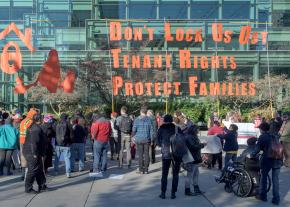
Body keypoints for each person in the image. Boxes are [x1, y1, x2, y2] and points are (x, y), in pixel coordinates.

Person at [251, 122, 283, 205]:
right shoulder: (276, 136)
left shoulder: (263, 137)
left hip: (267, 159)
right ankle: (276, 199)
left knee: (263, 177)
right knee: (275, 179)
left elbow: (257, 149)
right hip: (278, 159)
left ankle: (263, 196)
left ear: (261, 129)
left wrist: (252, 155)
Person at [157, 114, 182, 199]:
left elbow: (158, 142)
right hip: (176, 153)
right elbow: (182, 139)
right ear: (172, 120)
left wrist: (163, 145)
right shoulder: (177, 128)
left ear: (164, 120)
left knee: (164, 174)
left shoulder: (161, 128)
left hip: (166, 153)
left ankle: (163, 193)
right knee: (175, 174)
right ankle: (173, 193)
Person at [23, 114, 47, 194]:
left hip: (34, 151)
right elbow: (34, 142)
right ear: (39, 120)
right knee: (32, 170)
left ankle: (42, 185)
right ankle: (28, 188)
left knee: (39, 169)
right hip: (32, 152)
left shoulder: (35, 127)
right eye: (42, 118)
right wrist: (34, 153)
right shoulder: (35, 129)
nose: (43, 120)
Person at [184, 125, 205, 196]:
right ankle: (187, 190)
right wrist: (202, 145)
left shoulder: (191, 136)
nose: (198, 131)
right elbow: (193, 147)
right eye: (197, 130)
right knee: (190, 175)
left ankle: (196, 189)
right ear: (194, 130)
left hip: (194, 158)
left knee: (196, 174)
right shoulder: (189, 137)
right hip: (191, 159)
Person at [132, 107, 153, 174]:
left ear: (141, 112)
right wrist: (152, 140)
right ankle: (146, 170)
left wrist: (133, 137)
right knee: (146, 154)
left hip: (139, 139)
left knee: (140, 155)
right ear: (146, 112)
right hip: (147, 139)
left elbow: (134, 130)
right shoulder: (149, 119)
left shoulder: (137, 119)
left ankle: (141, 170)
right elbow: (151, 131)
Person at [19, 108, 38, 180]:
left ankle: (23, 175)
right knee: (30, 158)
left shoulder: (23, 121)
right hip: (27, 141)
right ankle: (29, 175)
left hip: (21, 140)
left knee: (23, 157)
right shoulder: (30, 122)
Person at [54, 113, 74, 178]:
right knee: (67, 158)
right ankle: (68, 173)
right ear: (66, 117)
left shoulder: (56, 123)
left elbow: (54, 132)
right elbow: (72, 134)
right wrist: (70, 142)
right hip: (66, 144)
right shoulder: (68, 124)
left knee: (57, 158)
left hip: (58, 144)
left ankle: (56, 171)